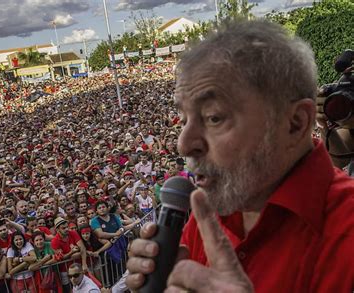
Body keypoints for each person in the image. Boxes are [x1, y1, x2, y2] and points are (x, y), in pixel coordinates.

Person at [126, 20, 354, 292]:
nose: (184, 144)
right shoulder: (206, 217)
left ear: (295, 123)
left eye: (213, 117)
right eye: (183, 118)